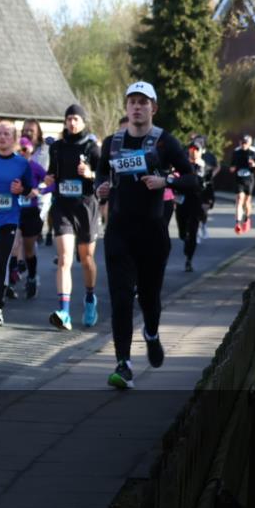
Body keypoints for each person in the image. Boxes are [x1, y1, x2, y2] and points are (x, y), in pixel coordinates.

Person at [96, 81, 199, 389]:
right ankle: (123, 363)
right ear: (126, 107)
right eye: (132, 102)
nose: (137, 107)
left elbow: (192, 179)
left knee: (150, 299)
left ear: (153, 107)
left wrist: (165, 180)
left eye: (143, 102)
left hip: (153, 232)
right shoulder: (111, 142)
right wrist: (99, 187)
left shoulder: (165, 142)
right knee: (121, 297)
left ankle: (151, 333)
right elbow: (102, 172)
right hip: (118, 231)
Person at [43, 103, 101, 331]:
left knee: (86, 259)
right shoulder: (56, 148)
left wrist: (90, 174)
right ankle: (64, 313)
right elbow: (52, 173)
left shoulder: (92, 148)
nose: (72, 122)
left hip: (86, 207)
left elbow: (104, 177)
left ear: (84, 121)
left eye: (76, 118)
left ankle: (89, 299)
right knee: (65, 258)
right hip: (63, 207)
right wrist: (49, 179)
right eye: (69, 119)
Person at [0, 122, 33, 325]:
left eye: (7, 134)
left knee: (0, 264)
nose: (2, 137)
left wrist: (20, 189)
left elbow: (29, 188)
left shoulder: (22, 163)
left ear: (14, 138)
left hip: (9, 220)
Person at [13, 136, 47, 299]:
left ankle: (32, 277)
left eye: (24, 149)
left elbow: (51, 182)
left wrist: (40, 192)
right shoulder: (11, 165)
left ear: (31, 150)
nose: (21, 152)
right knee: (14, 243)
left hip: (31, 212)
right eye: (19, 149)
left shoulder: (35, 167)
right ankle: (10, 278)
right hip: (14, 211)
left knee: (28, 250)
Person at [175, 143, 206, 272]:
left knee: (193, 231)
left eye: (196, 150)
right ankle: (184, 237)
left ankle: (189, 259)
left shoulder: (203, 167)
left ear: (200, 152)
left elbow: (208, 185)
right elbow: (175, 180)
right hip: (182, 201)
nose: (193, 152)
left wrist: (209, 201)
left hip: (196, 202)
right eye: (191, 150)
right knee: (182, 230)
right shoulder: (181, 165)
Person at [229, 134, 255, 234]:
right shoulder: (236, 152)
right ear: (240, 142)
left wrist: (254, 165)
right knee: (239, 199)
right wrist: (232, 168)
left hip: (249, 180)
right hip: (239, 179)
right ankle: (238, 223)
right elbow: (231, 166)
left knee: (247, 202)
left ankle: (246, 219)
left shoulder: (253, 152)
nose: (243, 144)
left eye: (245, 143)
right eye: (242, 142)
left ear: (249, 143)